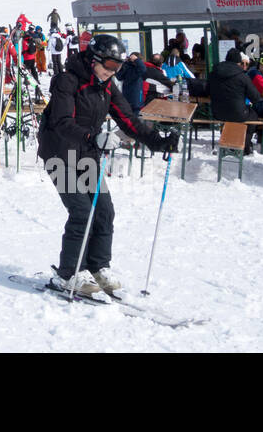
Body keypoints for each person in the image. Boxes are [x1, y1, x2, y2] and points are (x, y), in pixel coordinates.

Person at [37, 34, 176, 294]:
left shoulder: (107, 86)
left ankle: (98, 267)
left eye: (118, 68)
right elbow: (62, 123)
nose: (112, 72)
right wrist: (94, 136)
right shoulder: (67, 82)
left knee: (104, 211)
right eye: (109, 66)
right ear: (93, 60)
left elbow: (128, 119)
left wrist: (158, 142)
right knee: (81, 211)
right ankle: (68, 275)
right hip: (59, 154)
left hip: (86, 154)